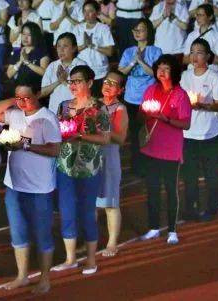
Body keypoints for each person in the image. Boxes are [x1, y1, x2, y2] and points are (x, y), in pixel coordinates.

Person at [0, 82, 60, 293]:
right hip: (14, 185)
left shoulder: (47, 118)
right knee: (18, 232)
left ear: (38, 94)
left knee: (42, 234)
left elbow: (54, 150)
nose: (23, 102)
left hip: (39, 188)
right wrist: (15, 100)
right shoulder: (15, 114)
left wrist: (24, 145)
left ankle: (45, 278)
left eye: (28, 97)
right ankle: (22, 275)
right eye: (19, 98)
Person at [53, 65, 110, 275]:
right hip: (65, 167)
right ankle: (70, 258)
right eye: (71, 81)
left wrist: (81, 137)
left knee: (87, 212)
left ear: (89, 83)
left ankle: (91, 259)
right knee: (66, 211)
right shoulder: (64, 106)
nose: (73, 85)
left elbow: (104, 138)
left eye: (78, 81)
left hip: (88, 168)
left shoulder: (98, 108)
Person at [138, 55, 191, 245]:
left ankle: (172, 230)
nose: (161, 71)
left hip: (170, 149)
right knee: (152, 189)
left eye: (166, 68)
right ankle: (153, 227)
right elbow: (141, 113)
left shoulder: (180, 95)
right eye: (159, 67)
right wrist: (144, 113)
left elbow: (186, 124)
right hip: (151, 147)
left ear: (174, 72)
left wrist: (165, 119)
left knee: (170, 189)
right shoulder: (150, 90)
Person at [180, 38, 218, 221]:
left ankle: (211, 209)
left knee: (211, 175)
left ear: (207, 56)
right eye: (192, 52)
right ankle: (190, 209)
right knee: (189, 177)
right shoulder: (185, 76)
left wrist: (204, 106)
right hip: (188, 134)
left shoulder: (215, 77)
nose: (195, 56)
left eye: (199, 52)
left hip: (209, 134)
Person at [117, 19, 161, 175]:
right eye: (135, 30)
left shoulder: (155, 51)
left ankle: (150, 165)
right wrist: (132, 63)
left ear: (148, 32)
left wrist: (141, 61)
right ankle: (136, 166)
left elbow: (155, 73)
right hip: (131, 98)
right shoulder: (128, 51)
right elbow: (120, 72)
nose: (137, 33)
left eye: (141, 30)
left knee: (149, 132)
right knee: (135, 133)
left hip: (148, 99)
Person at [95, 70, 128, 256]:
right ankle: (92, 240)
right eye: (106, 81)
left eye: (113, 84)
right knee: (90, 204)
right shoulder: (92, 103)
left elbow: (121, 138)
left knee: (110, 202)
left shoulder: (119, 109)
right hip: (90, 157)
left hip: (108, 158)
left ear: (120, 90)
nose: (108, 85)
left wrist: (102, 129)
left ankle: (112, 242)